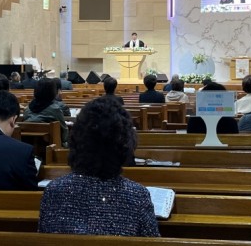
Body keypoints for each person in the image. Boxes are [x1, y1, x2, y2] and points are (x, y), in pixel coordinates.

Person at [38, 96, 160, 236]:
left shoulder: (53, 191)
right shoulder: (137, 196)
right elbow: (152, 241)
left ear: (76, 139)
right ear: (124, 144)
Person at [22, 78, 69, 147]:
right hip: (51, 147)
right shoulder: (55, 109)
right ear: (53, 92)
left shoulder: (28, 108)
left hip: (28, 146)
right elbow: (64, 132)